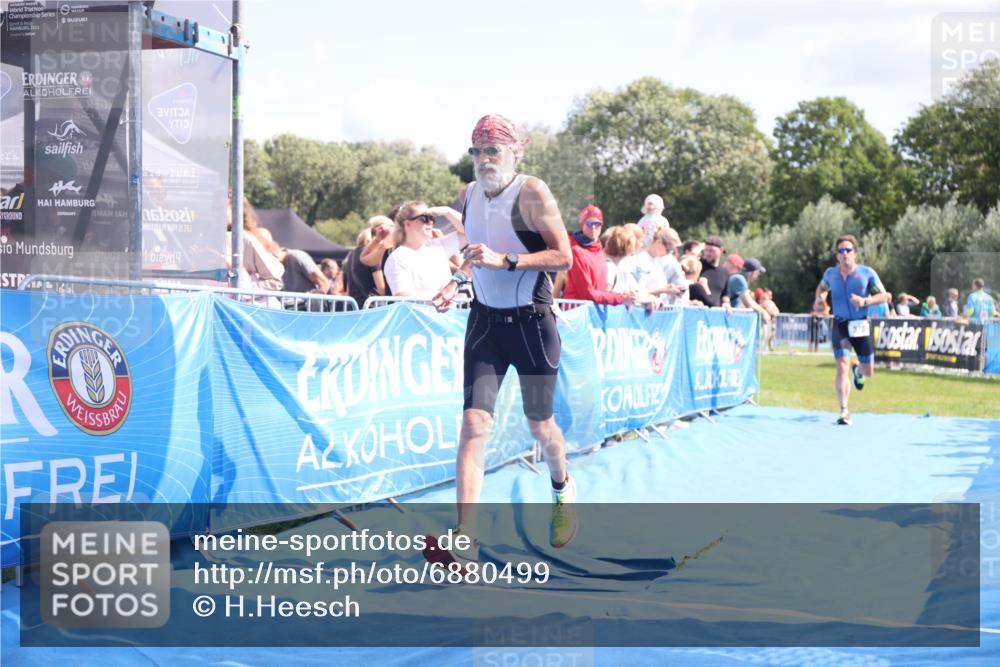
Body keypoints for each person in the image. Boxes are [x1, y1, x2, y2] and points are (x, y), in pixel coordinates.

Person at [431, 114, 576, 564]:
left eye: (494, 150)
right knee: (474, 424)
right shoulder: (469, 195)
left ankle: (561, 485)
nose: (485, 159)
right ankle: (466, 541)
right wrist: (455, 282)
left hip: (533, 325)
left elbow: (564, 257)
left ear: (517, 151)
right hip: (486, 324)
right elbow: (474, 255)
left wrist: (507, 260)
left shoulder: (532, 192)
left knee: (540, 426)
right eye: (477, 151)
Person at [815, 234, 891, 426]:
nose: (845, 254)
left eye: (848, 250)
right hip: (840, 325)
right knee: (841, 366)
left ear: (855, 254)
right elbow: (822, 288)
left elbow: (885, 296)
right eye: (841, 251)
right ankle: (844, 410)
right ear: (837, 256)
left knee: (869, 371)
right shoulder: (830, 274)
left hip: (861, 325)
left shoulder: (867, 273)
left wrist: (865, 301)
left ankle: (858, 371)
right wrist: (820, 299)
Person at [383, 200, 465, 298]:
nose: (430, 222)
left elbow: (469, 230)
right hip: (419, 313)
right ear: (407, 224)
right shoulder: (397, 258)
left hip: (449, 312)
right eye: (424, 218)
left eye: (432, 218)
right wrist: (443, 294)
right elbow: (402, 295)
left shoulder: (438, 246)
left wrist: (447, 211)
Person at [562, 204, 634, 305]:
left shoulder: (599, 250)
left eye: (597, 224)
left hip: (593, 313)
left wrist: (622, 295)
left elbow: (601, 289)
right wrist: (620, 299)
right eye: (589, 223)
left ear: (601, 225)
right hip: (577, 313)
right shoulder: (576, 251)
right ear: (582, 224)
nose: (593, 228)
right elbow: (587, 294)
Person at [728, 258, 771, 324]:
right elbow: (748, 303)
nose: (758, 276)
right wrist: (763, 312)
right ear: (753, 272)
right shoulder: (739, 279)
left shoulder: (739, 278)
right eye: (758, 273)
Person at [698, 236, 733, 311]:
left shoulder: (724, 272)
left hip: (715, 314)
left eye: (711, 251)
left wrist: (726, 303)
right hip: (698, 312)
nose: (708, 253)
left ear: (721, 250)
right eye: (706, 250)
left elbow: (725, 294)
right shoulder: (698, 265)